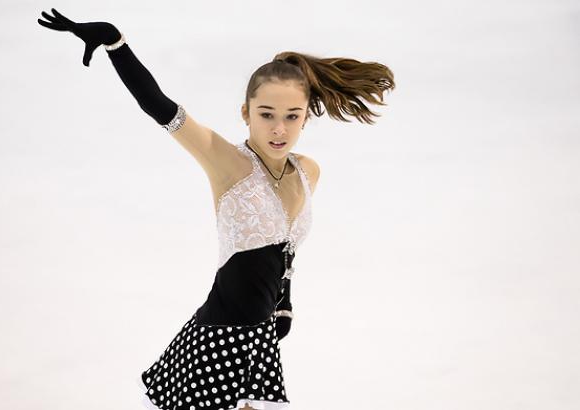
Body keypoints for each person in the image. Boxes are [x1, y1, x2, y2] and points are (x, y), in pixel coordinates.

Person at [37, 8, 395, 410]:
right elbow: (158, 105)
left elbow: (286, 252)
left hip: (259, 340)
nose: (279, 128)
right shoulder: (229, 164)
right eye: (266, 115)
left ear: (305, 117)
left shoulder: (308, 172)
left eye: (292, 116)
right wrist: (114, 41)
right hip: (217, 341)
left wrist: (285, 305)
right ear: (246, 113)